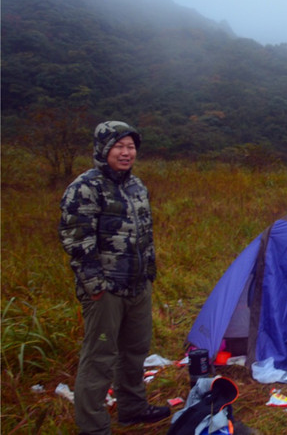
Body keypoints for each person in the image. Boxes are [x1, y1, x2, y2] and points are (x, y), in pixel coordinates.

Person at [59, 121, 170, 434]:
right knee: (99, 358)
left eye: (131, 147)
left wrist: (148, 273)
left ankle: (133, 409)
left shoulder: (137, 186)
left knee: (134, 352)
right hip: (105, 290)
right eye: (119, 147)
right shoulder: (85, 188)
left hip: (137, 285)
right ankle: (93, 427)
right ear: (103, 149)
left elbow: (145, 234)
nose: (126, 153)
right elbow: (76, 241)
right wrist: (95, 287)